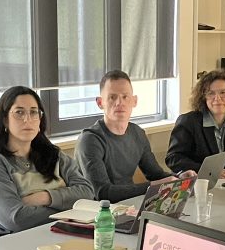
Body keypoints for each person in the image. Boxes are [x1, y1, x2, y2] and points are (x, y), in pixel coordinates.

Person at [0, 85, 93, 233]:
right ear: (5, 120)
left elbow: (88, 193)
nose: (28, 119)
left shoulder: (55, 155)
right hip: (21, 242)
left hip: (67, 233)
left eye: (33, 112)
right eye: (19, 112)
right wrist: (70, 209)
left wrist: (45, 197)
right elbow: (16, 219)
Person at [76, 70, 189, 203]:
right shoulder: (90, 140)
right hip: (96, 211)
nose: (119, 102)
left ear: (134, 101)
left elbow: (155, 174)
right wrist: (155, 186)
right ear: (100, 103)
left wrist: (179, 177)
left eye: (125, 97)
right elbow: (103, 192)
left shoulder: (138, 133)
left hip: (128, 205)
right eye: (112, 97)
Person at [165, 69, 225, 178]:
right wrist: (208, 170)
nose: (217, 98)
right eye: (211, 93)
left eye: (223, 93)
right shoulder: (188, 122)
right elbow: (173, 158)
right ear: (204, 97)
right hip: (198, 182)